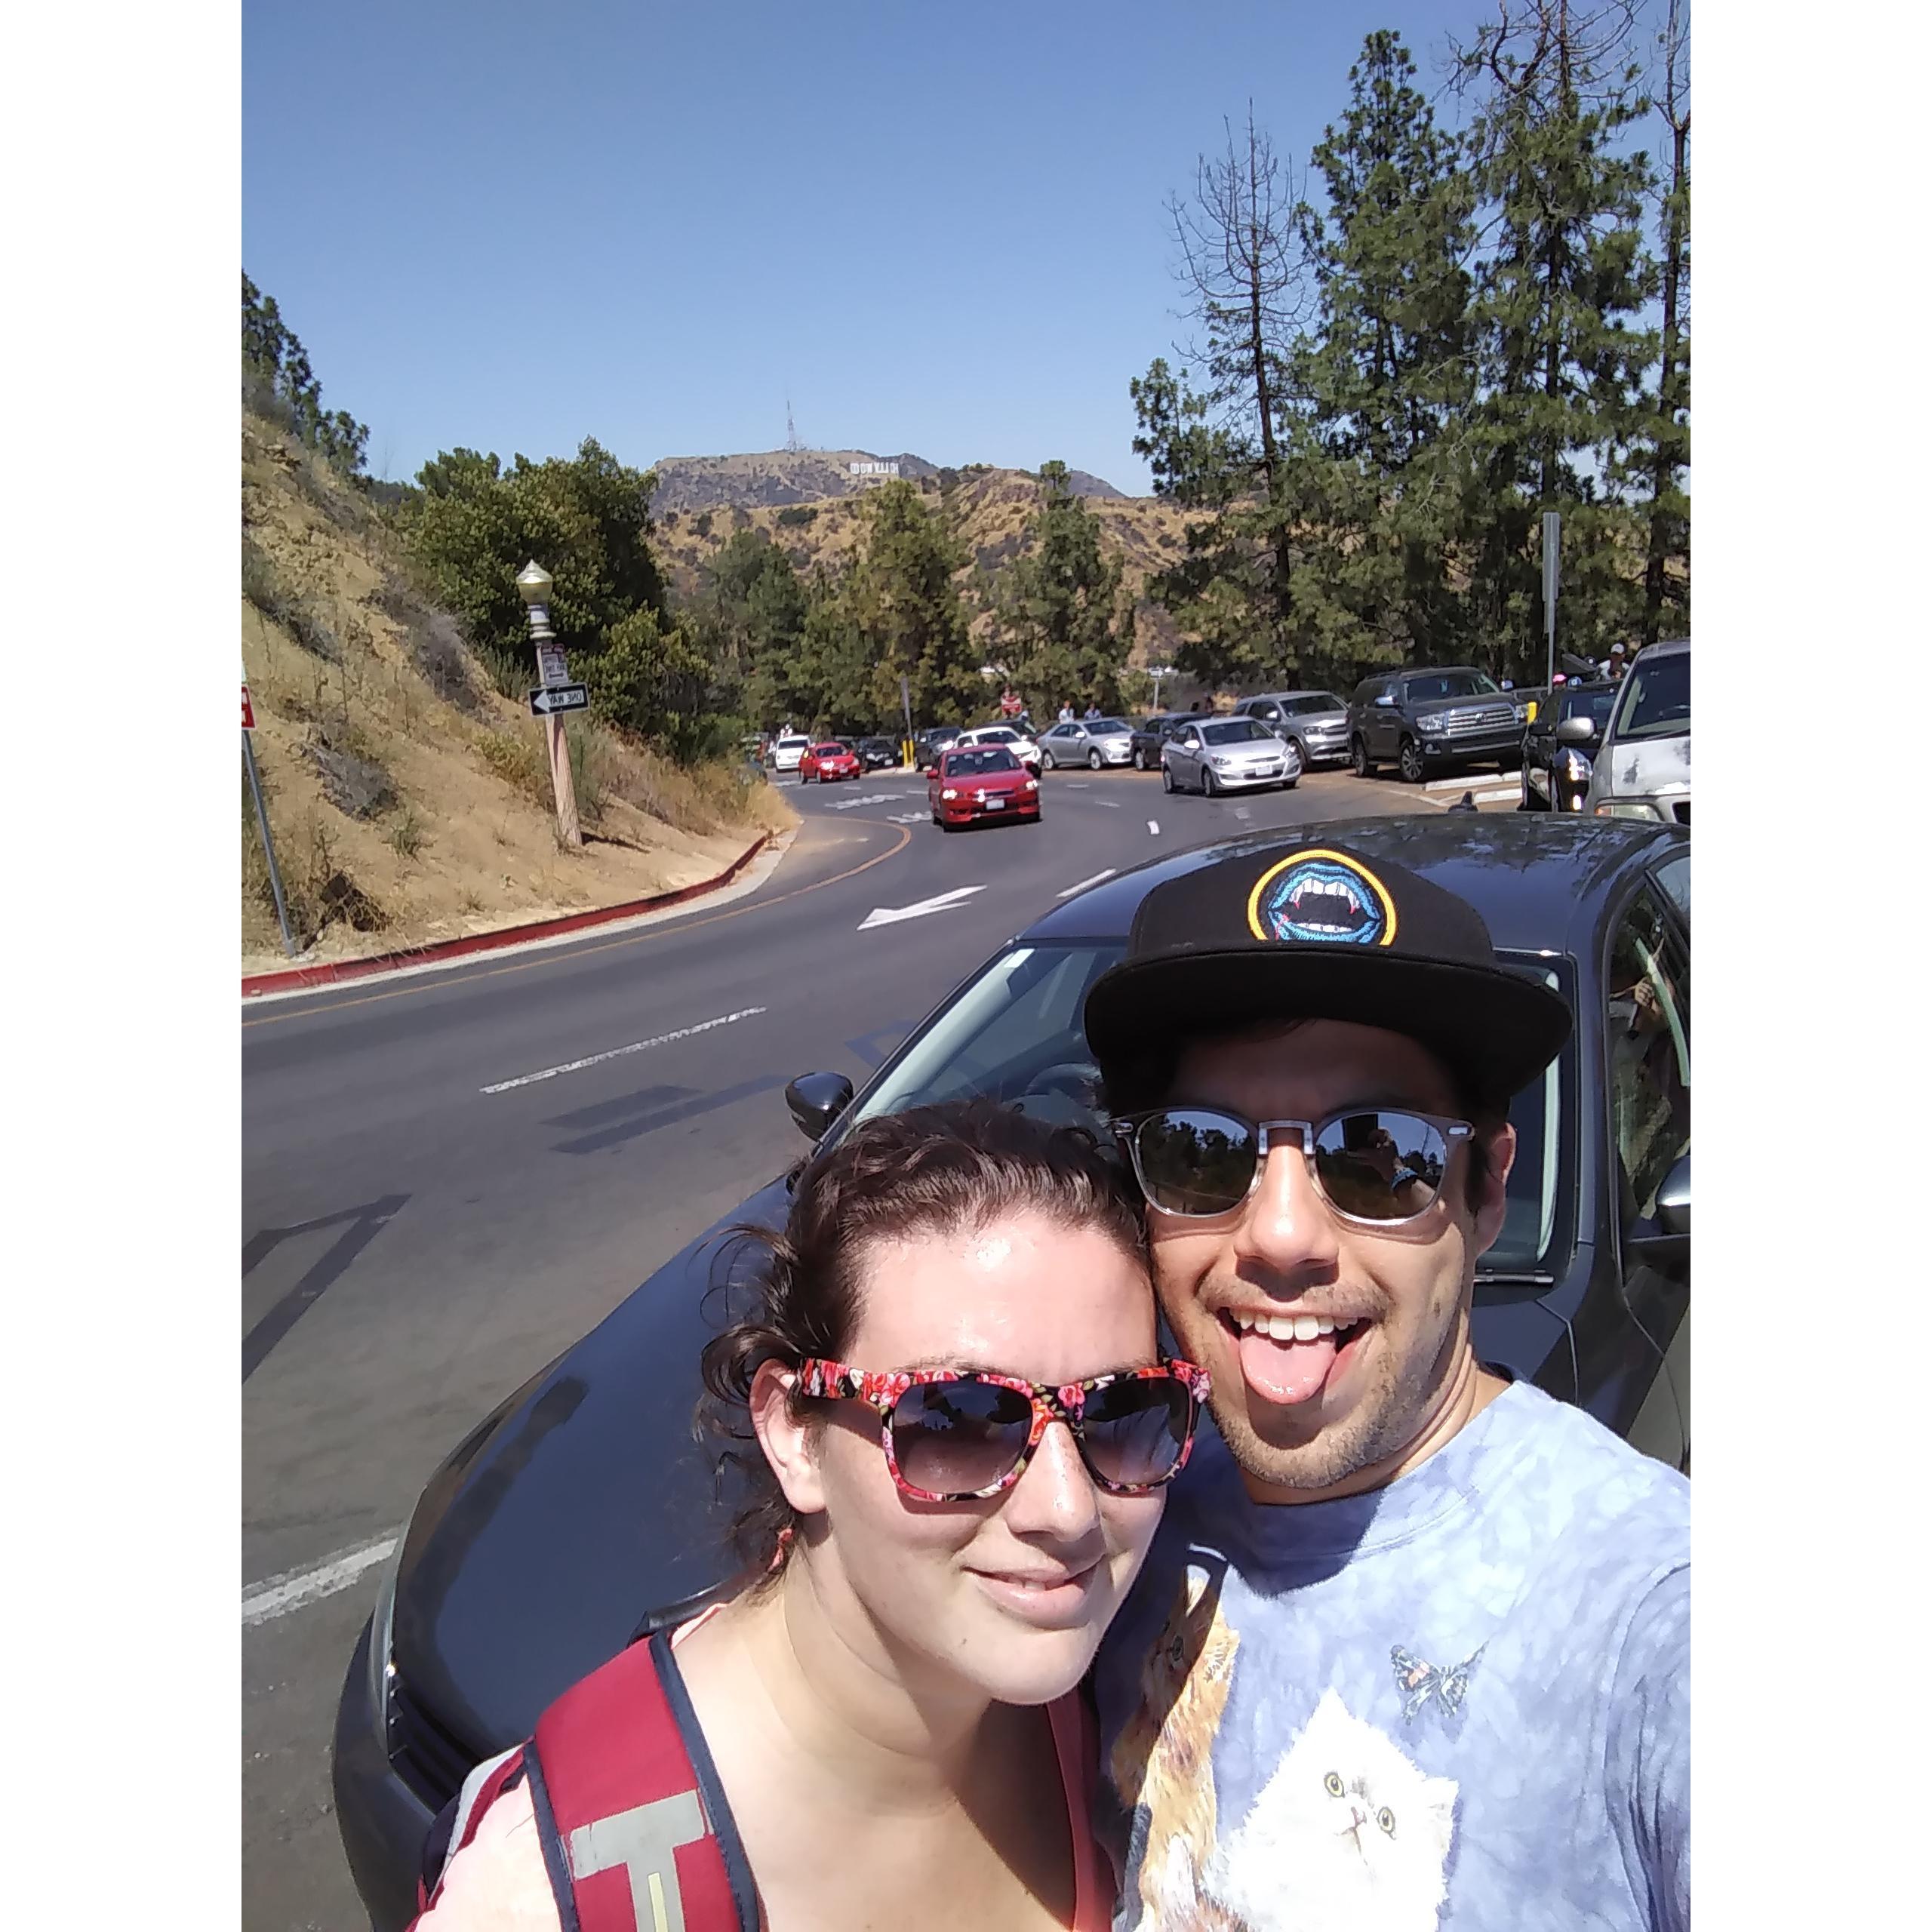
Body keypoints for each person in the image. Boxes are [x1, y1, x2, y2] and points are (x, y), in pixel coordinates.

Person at [1081, 840, 1688, 1931]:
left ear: (1489, 1190)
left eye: (1376, 1154)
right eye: (1202, 1153)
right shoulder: (1099, 1522)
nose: (1278, 1237)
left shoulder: (1648, 1610)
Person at [413, 1102, 1208, 1931]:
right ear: (794, 1432)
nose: (1068, 1508)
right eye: (958, 1422)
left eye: (1123, 1412)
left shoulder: (1118, 1692)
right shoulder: (546, 1899)